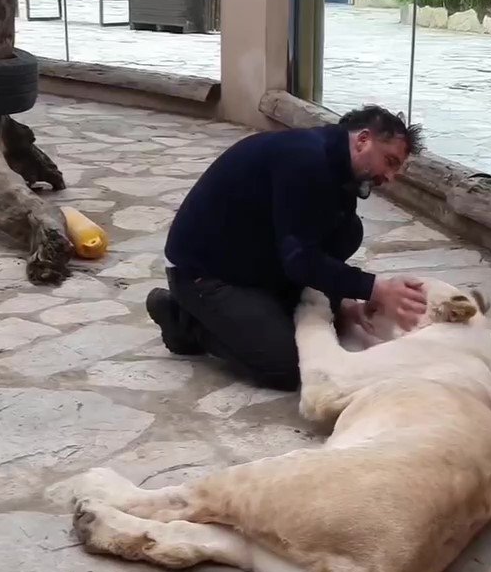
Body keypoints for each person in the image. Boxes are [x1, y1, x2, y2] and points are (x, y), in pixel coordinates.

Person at [146, 105, 426, 391]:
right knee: (288, 367)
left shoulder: (338, 168)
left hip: (254, 258)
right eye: (389, 161)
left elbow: (310, 240)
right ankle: (183, 320)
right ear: (363, 140)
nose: (390, 177)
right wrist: (375, 287)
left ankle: (262, 308)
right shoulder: (305, 160)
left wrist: (343, 300)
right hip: (205, 273)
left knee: (348, 231)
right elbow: (300, 258)